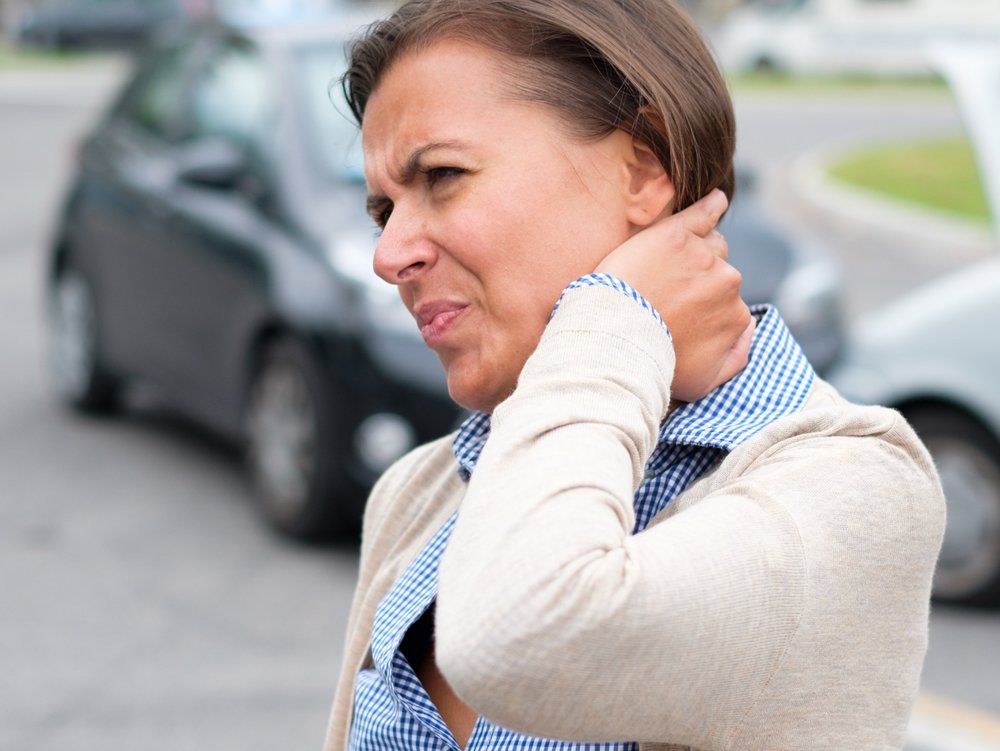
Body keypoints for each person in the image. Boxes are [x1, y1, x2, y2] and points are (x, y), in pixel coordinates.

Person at [324, 1, 945, 749]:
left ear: (643, 169)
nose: (389, 255)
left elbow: (523, 632)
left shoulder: (853, 485)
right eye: (382, 211)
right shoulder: (419, 490)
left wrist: (618, 315)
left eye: (443, 175)